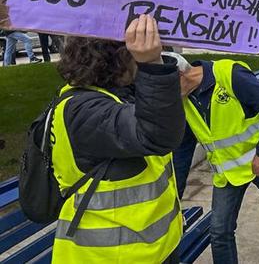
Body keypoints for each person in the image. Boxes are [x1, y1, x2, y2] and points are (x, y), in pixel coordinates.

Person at [51, 15, 184, 263]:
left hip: (150, 249)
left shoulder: (115, 97)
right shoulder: (83, 111)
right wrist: (153, 66)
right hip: (109, 256)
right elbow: (158, 135)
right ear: (116, 58)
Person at [171, 52, 259, 264]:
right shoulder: (184, 99)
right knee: (219, 231)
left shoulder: (229, 74)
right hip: (229, 172)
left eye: (162, 88)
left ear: (180, 75)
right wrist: (175, 201)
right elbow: (183, 150)